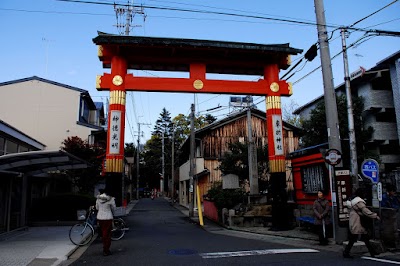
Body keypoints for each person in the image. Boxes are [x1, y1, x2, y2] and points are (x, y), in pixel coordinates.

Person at [343, 188, 380, 258]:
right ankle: (346, 252)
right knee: (358, 237)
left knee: (359, 237)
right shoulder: (358, 201)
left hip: (353, 219)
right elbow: (365, 210)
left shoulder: (351, 200)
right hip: (358, 221)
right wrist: (374, 215)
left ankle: (372, 252)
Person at [96, 188, 116, 256]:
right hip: (108, 217)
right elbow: (114, 208)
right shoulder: (111, 199)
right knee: (108, 234)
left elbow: (97, 208)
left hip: (100, 218)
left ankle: (105, 248)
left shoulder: (98, 199)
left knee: (103, 232)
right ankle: (106, 249)